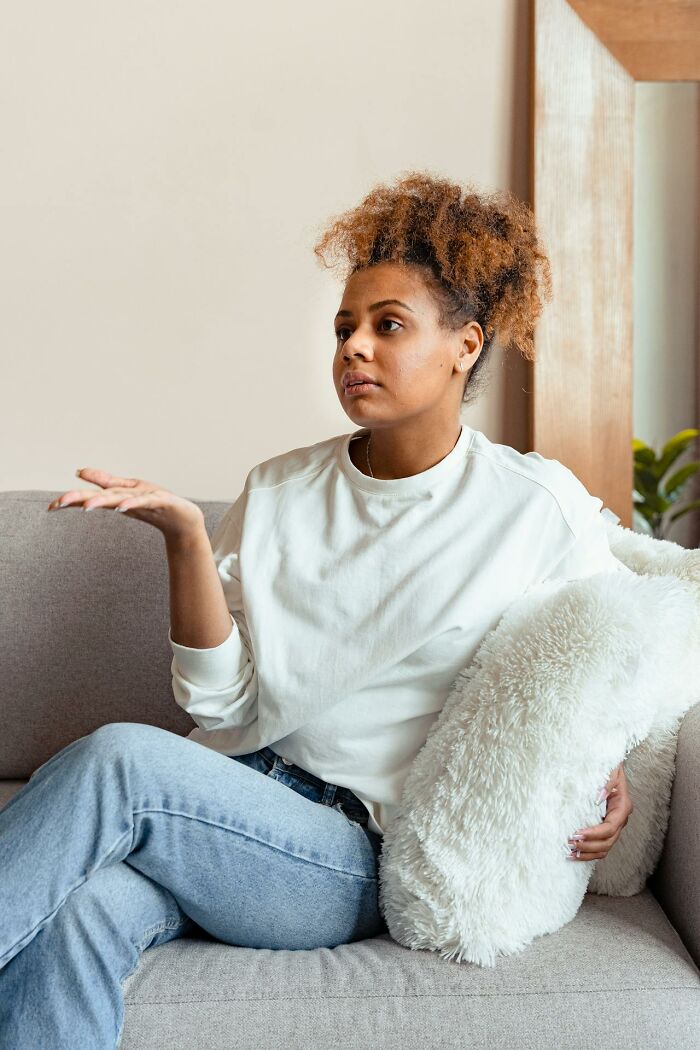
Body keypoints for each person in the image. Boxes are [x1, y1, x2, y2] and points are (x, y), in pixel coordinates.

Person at [0, 170, 631, 1048]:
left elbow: (618, 646)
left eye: (388, 325)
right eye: (344, 328)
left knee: (119, 761)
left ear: (465, 346)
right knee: (81, 912)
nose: (354, 348)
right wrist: (186, 538)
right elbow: (220, 707)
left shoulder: (534, 507)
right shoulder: (280, 489)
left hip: (342, 857)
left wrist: (612, 768)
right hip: (226, 802)